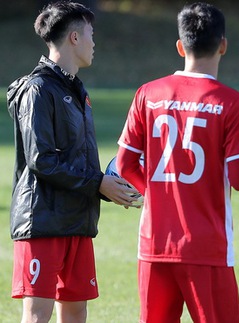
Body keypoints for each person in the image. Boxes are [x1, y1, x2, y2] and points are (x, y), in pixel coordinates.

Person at [115, 2, 239, 322]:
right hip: (206, 247)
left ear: (180, 46)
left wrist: (155, 196)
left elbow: (124, 165)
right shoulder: (231, 103)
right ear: (223, 45)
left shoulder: (147, 93)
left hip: (154, 244)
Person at [6, 1, 139, 322]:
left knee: (77, 311)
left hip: (77, 220)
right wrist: (98, 183)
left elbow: (74, 159)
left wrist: (108, 187)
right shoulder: (38, 90)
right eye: (91, 34)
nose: (95, 42)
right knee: (38, 314)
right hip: (42, 222)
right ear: (75, 38)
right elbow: (42, 160)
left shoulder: (78, 90)